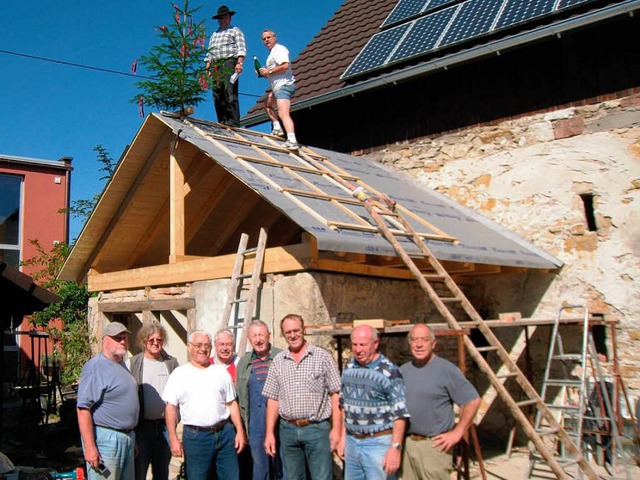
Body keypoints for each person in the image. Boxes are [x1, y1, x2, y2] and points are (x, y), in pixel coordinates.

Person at [263, 313, 341, 480]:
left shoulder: (322, 357)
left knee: (322, 477)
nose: (293, 335)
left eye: (296, 330)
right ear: (283, 334)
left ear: (304, 330)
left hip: (317, 429)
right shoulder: (278, 361)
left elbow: (336, 393)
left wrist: (337, 429)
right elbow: (273, 399)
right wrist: (269, 432)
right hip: (288, 430)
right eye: (288, 332)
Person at [400, 324, 481, 480]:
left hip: (434, 447)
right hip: (408, 445)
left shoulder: (446, 370)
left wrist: (457, 432)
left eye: (424, 340)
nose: (419, 344)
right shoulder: (404, 370)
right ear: (409, 343)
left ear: (433, 343)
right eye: (414, 340)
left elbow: (473, 400)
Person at [163, 330, 246, 479]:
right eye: (198, 345)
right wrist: (173, 438)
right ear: (189, 347)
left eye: (207, 345)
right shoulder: (179, 374)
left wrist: (239, 431)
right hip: (196, 438)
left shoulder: (220, 372)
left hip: (225, 434)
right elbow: (170, 408)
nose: (203, 349)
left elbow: (232, 404)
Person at [338, 325, 409, 480]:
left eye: (363, 345)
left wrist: (395, 448)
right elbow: (345, 405)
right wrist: (343, 436)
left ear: (375, 344)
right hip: (352, 442)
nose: (358, 349)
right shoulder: (349, 367)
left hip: (378, 443)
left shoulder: (389, 371)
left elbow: (400, 414)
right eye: (354, 344)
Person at [77, 322, 139, 480]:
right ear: (105, 340)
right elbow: (83, 409)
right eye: (118, 338)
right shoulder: (95, 367)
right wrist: (90, 448)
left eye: (124, 338)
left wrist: (130, 438)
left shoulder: (121, 364)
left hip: (126, 439)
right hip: (106, 442)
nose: (123, 341)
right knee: (105, 477)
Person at [128, 323, 178, 480]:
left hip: (164, 427)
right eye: (151, 340)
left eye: (160, 340)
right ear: (144, 341)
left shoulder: (171, 363)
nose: (156, 343)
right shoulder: (133, 363)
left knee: (162, 472)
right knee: (139, 471)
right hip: (142, 428)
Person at [237, 320, 285, 480]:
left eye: (261, 334)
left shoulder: (282, 357)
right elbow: (240, 396)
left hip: (282, 423)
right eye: (254, 335)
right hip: (255, 424)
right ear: (249, 339)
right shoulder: (244, 362)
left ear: (269, 336)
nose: (258, 339)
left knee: (282, 466)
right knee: (259, 467)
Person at [205, 5, 246, 127]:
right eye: (221, 18)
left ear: (229, 18)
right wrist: (208, 68)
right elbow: (210, 52)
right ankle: (222, 120)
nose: (223, 20)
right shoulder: (214, 34)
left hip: (229, 62)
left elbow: (241, 48)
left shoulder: (235, 31)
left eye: (225, 17)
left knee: (229, 90)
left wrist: (239, 63)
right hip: (216, 65)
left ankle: (233, 120)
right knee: (217, 92)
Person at [258, 30, 299, 151]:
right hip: (278, 87)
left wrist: (269, 71)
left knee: (283, 113)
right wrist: (265, 73)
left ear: (275, 38)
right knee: (267, 104)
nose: (266, 40)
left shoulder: (279, 49)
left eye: (268, 37)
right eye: (264, 39)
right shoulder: (272, 54)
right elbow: (275, 72)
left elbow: (285, 66)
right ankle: (277, 128)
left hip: (284, 85)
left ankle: (292, 140)